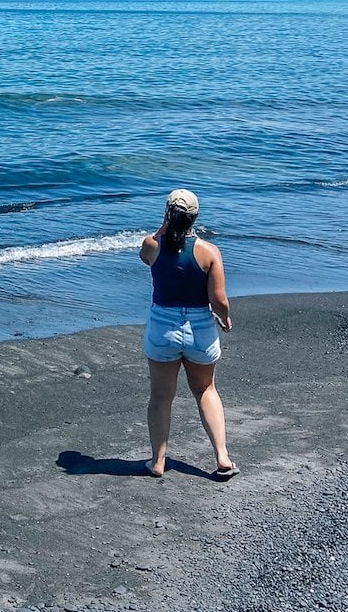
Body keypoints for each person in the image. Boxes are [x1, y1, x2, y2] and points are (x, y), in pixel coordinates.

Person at [138, 189, 237, 481]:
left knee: (161, 396)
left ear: (167, 215)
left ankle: (158, 461)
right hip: (200, 328)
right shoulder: (208, 252)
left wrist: (165, 225)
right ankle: (222, 455)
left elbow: (146, 256)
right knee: (205, 390)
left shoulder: (153, 245)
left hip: (163, 328)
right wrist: (225, 318)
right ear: (195, 217)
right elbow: (219, 300)